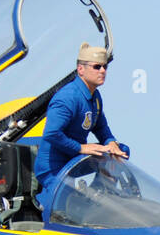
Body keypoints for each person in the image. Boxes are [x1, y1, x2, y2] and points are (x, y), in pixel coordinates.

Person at [34, 42, 127, 211]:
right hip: (53, 168)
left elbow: (100, 127)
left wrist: (111, 142)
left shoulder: (95, 97)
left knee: (120, 153)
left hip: (73, 161)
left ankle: (98, 200)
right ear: (80, 69)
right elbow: (52, 133)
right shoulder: (68, 98)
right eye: (97, 67)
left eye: (105, 67)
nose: (103, 71)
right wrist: (80, 148)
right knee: (66, 211)